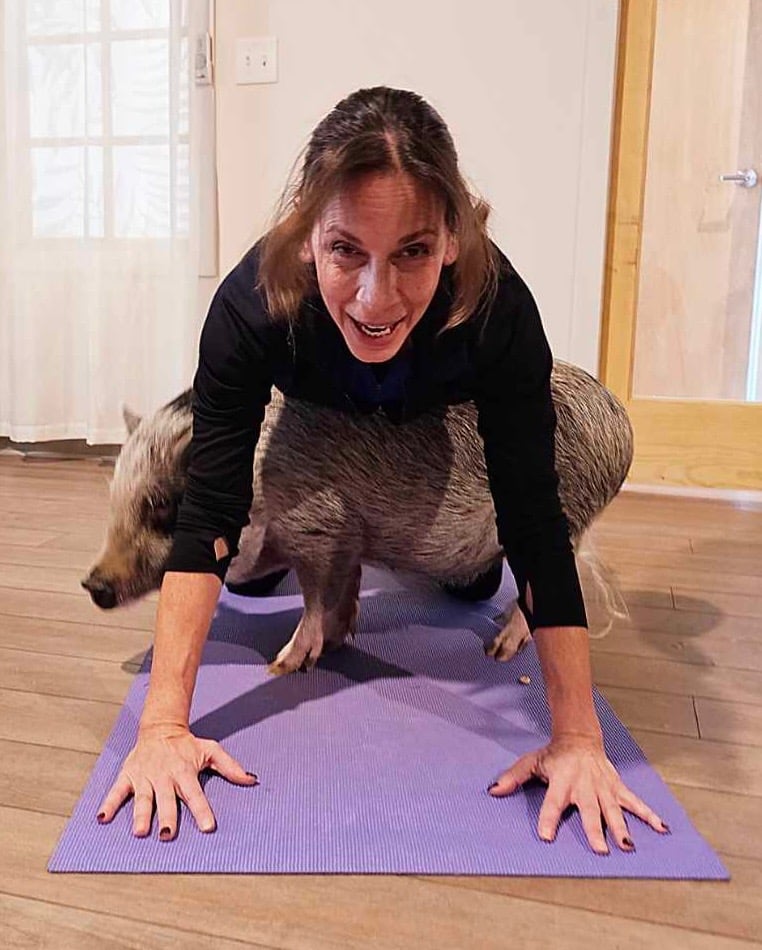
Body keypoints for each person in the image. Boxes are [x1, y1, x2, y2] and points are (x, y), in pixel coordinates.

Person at [96, 86, 669, 855]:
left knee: (467, 578)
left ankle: (466, 580)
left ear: (455, 239)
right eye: (346, 251)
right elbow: (210, 516)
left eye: (412, 252)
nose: (376, 297)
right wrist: (164, 727)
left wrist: (578, 740)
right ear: (306, 234)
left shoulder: (497, 315)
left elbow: (534, 519)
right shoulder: (250, 308)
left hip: (437, 439)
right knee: (240, 577)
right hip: (332, 425)